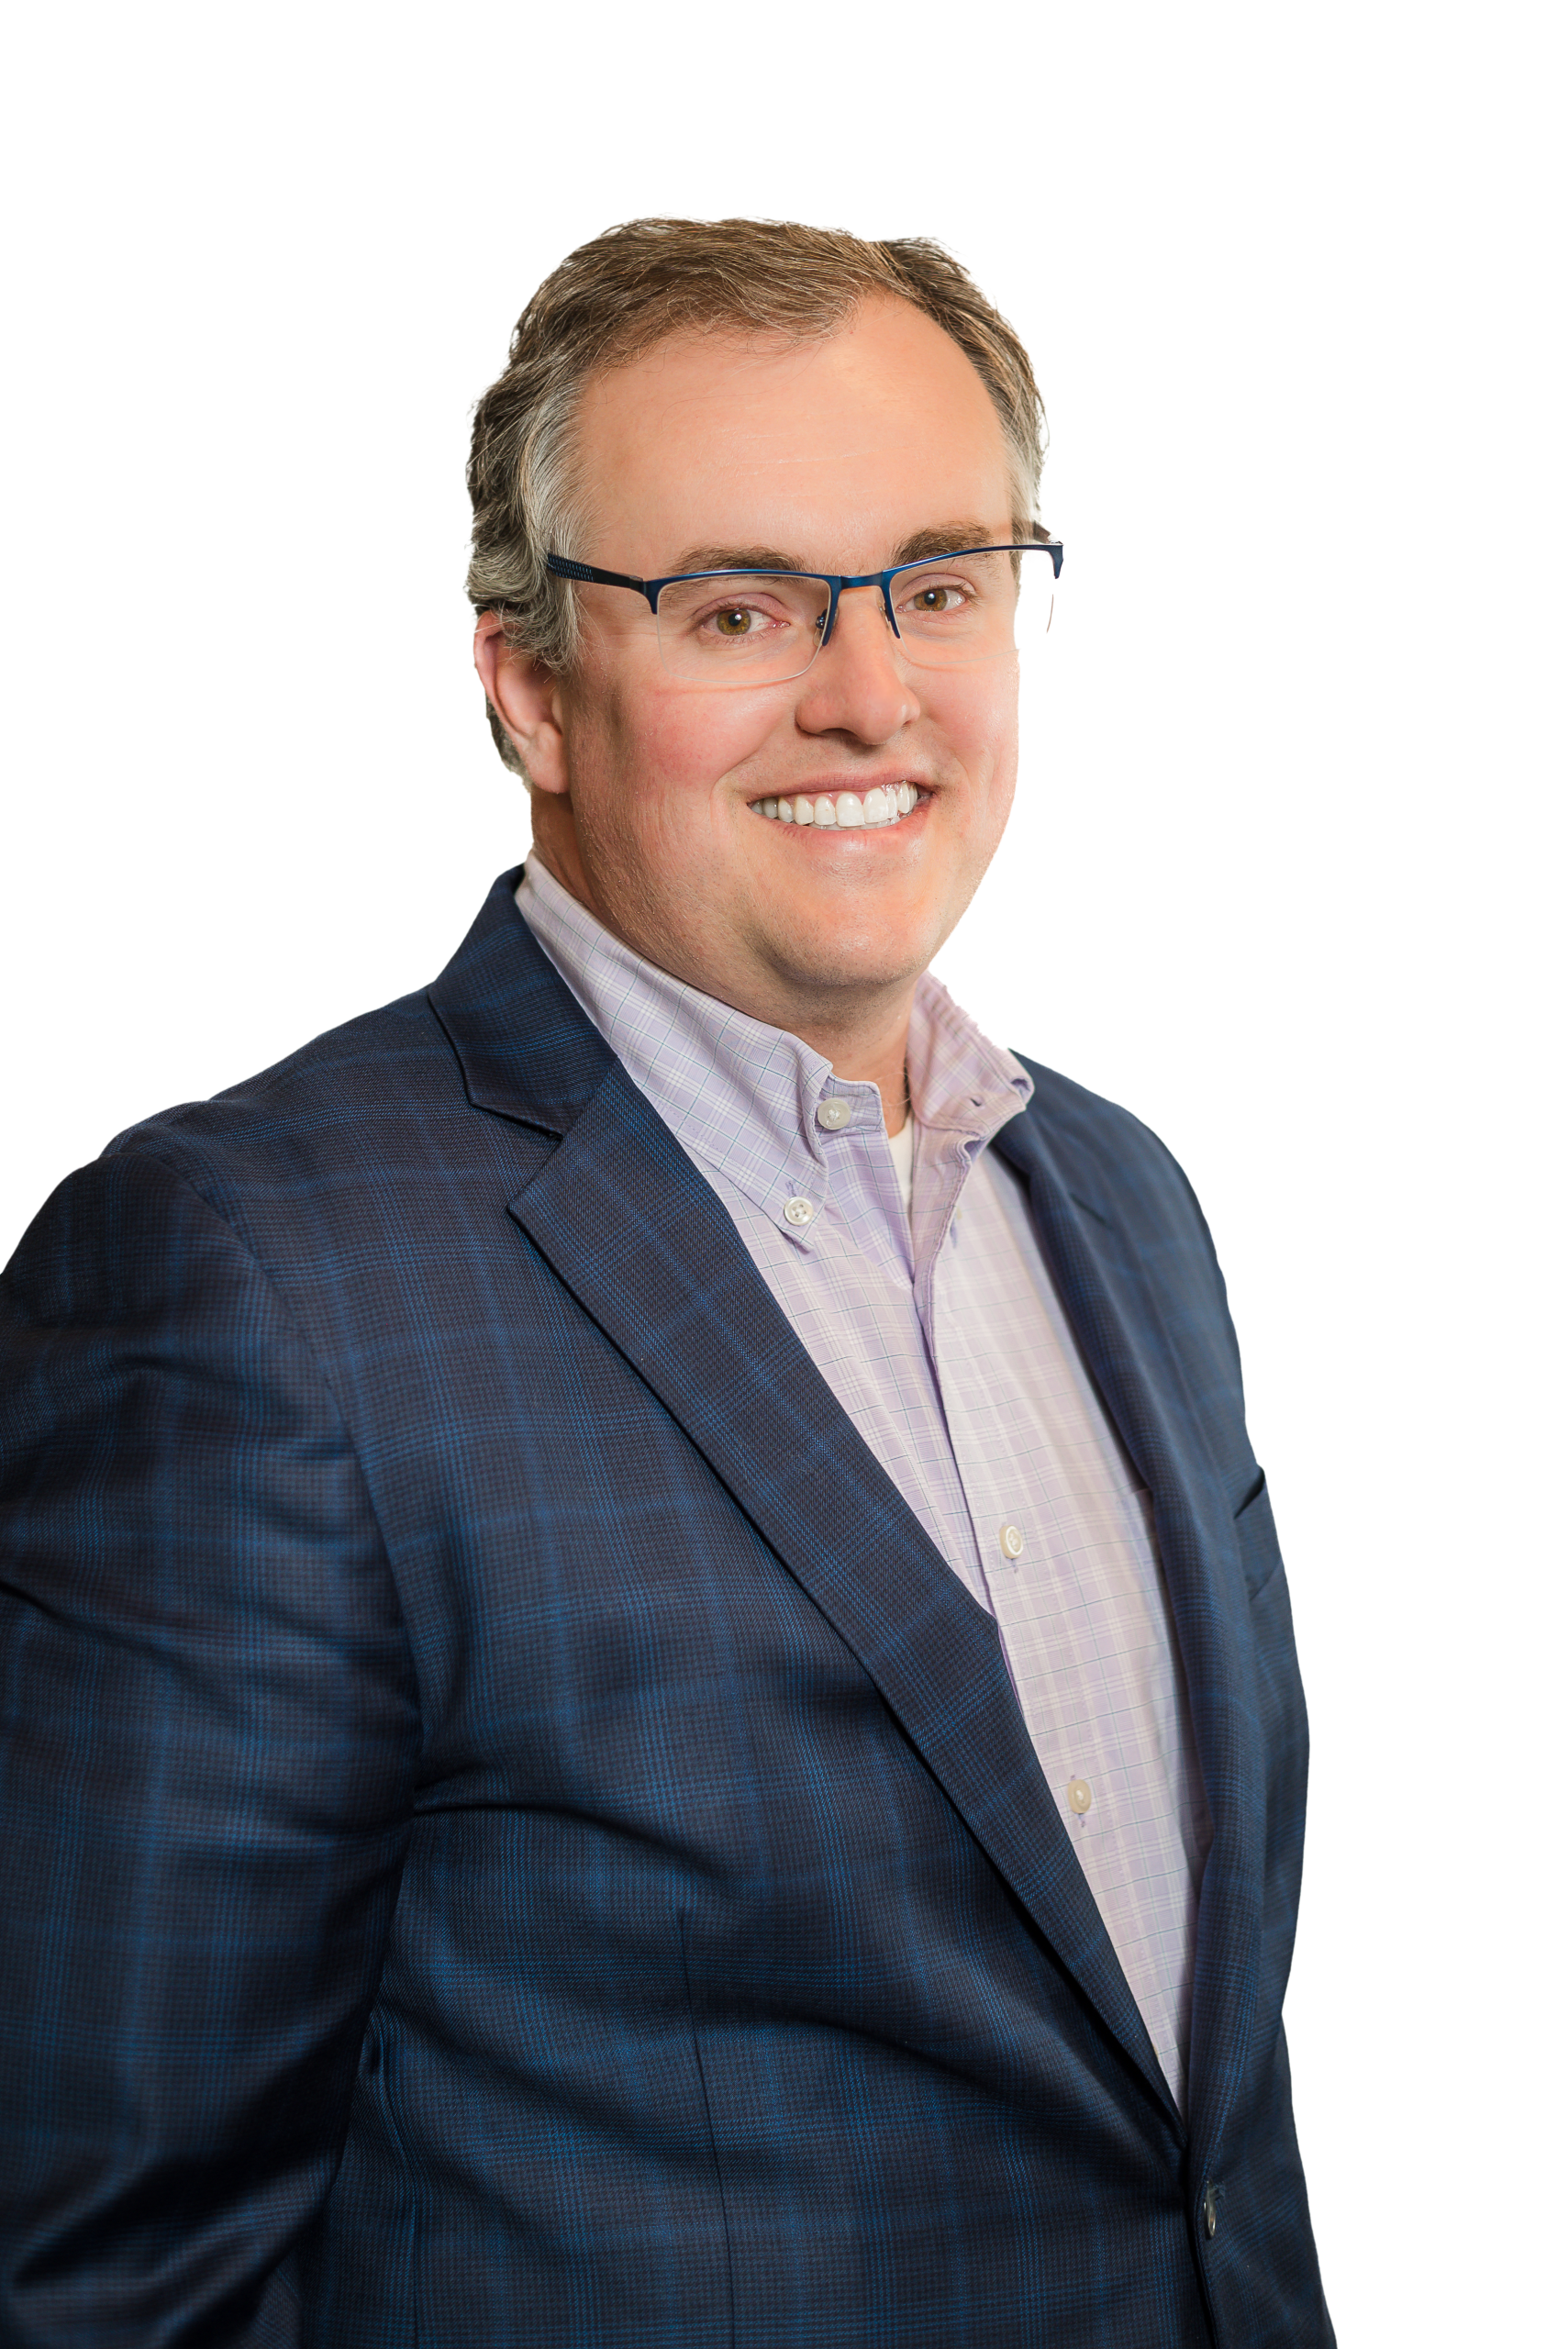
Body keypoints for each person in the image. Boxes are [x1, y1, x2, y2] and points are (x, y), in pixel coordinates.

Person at [0, 215, 1332, 2345]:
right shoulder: (248, 1275)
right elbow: (113, 2268)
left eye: (935, 584)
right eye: (735, 604)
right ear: (525, 681)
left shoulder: (1125, 1197)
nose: (868, 692)